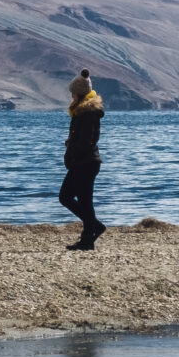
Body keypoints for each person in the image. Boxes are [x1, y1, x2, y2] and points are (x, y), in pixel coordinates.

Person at [59, 69, 105, 250]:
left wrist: (72, 149)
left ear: (79, 94)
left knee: (67, 197)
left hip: (85, 162)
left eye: (73, 93)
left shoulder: (87, 113)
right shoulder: (84, 112)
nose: (71, 95)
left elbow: (86, 141)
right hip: (86, 161)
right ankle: (90, 234)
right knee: (82, 200)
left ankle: (92, 230)